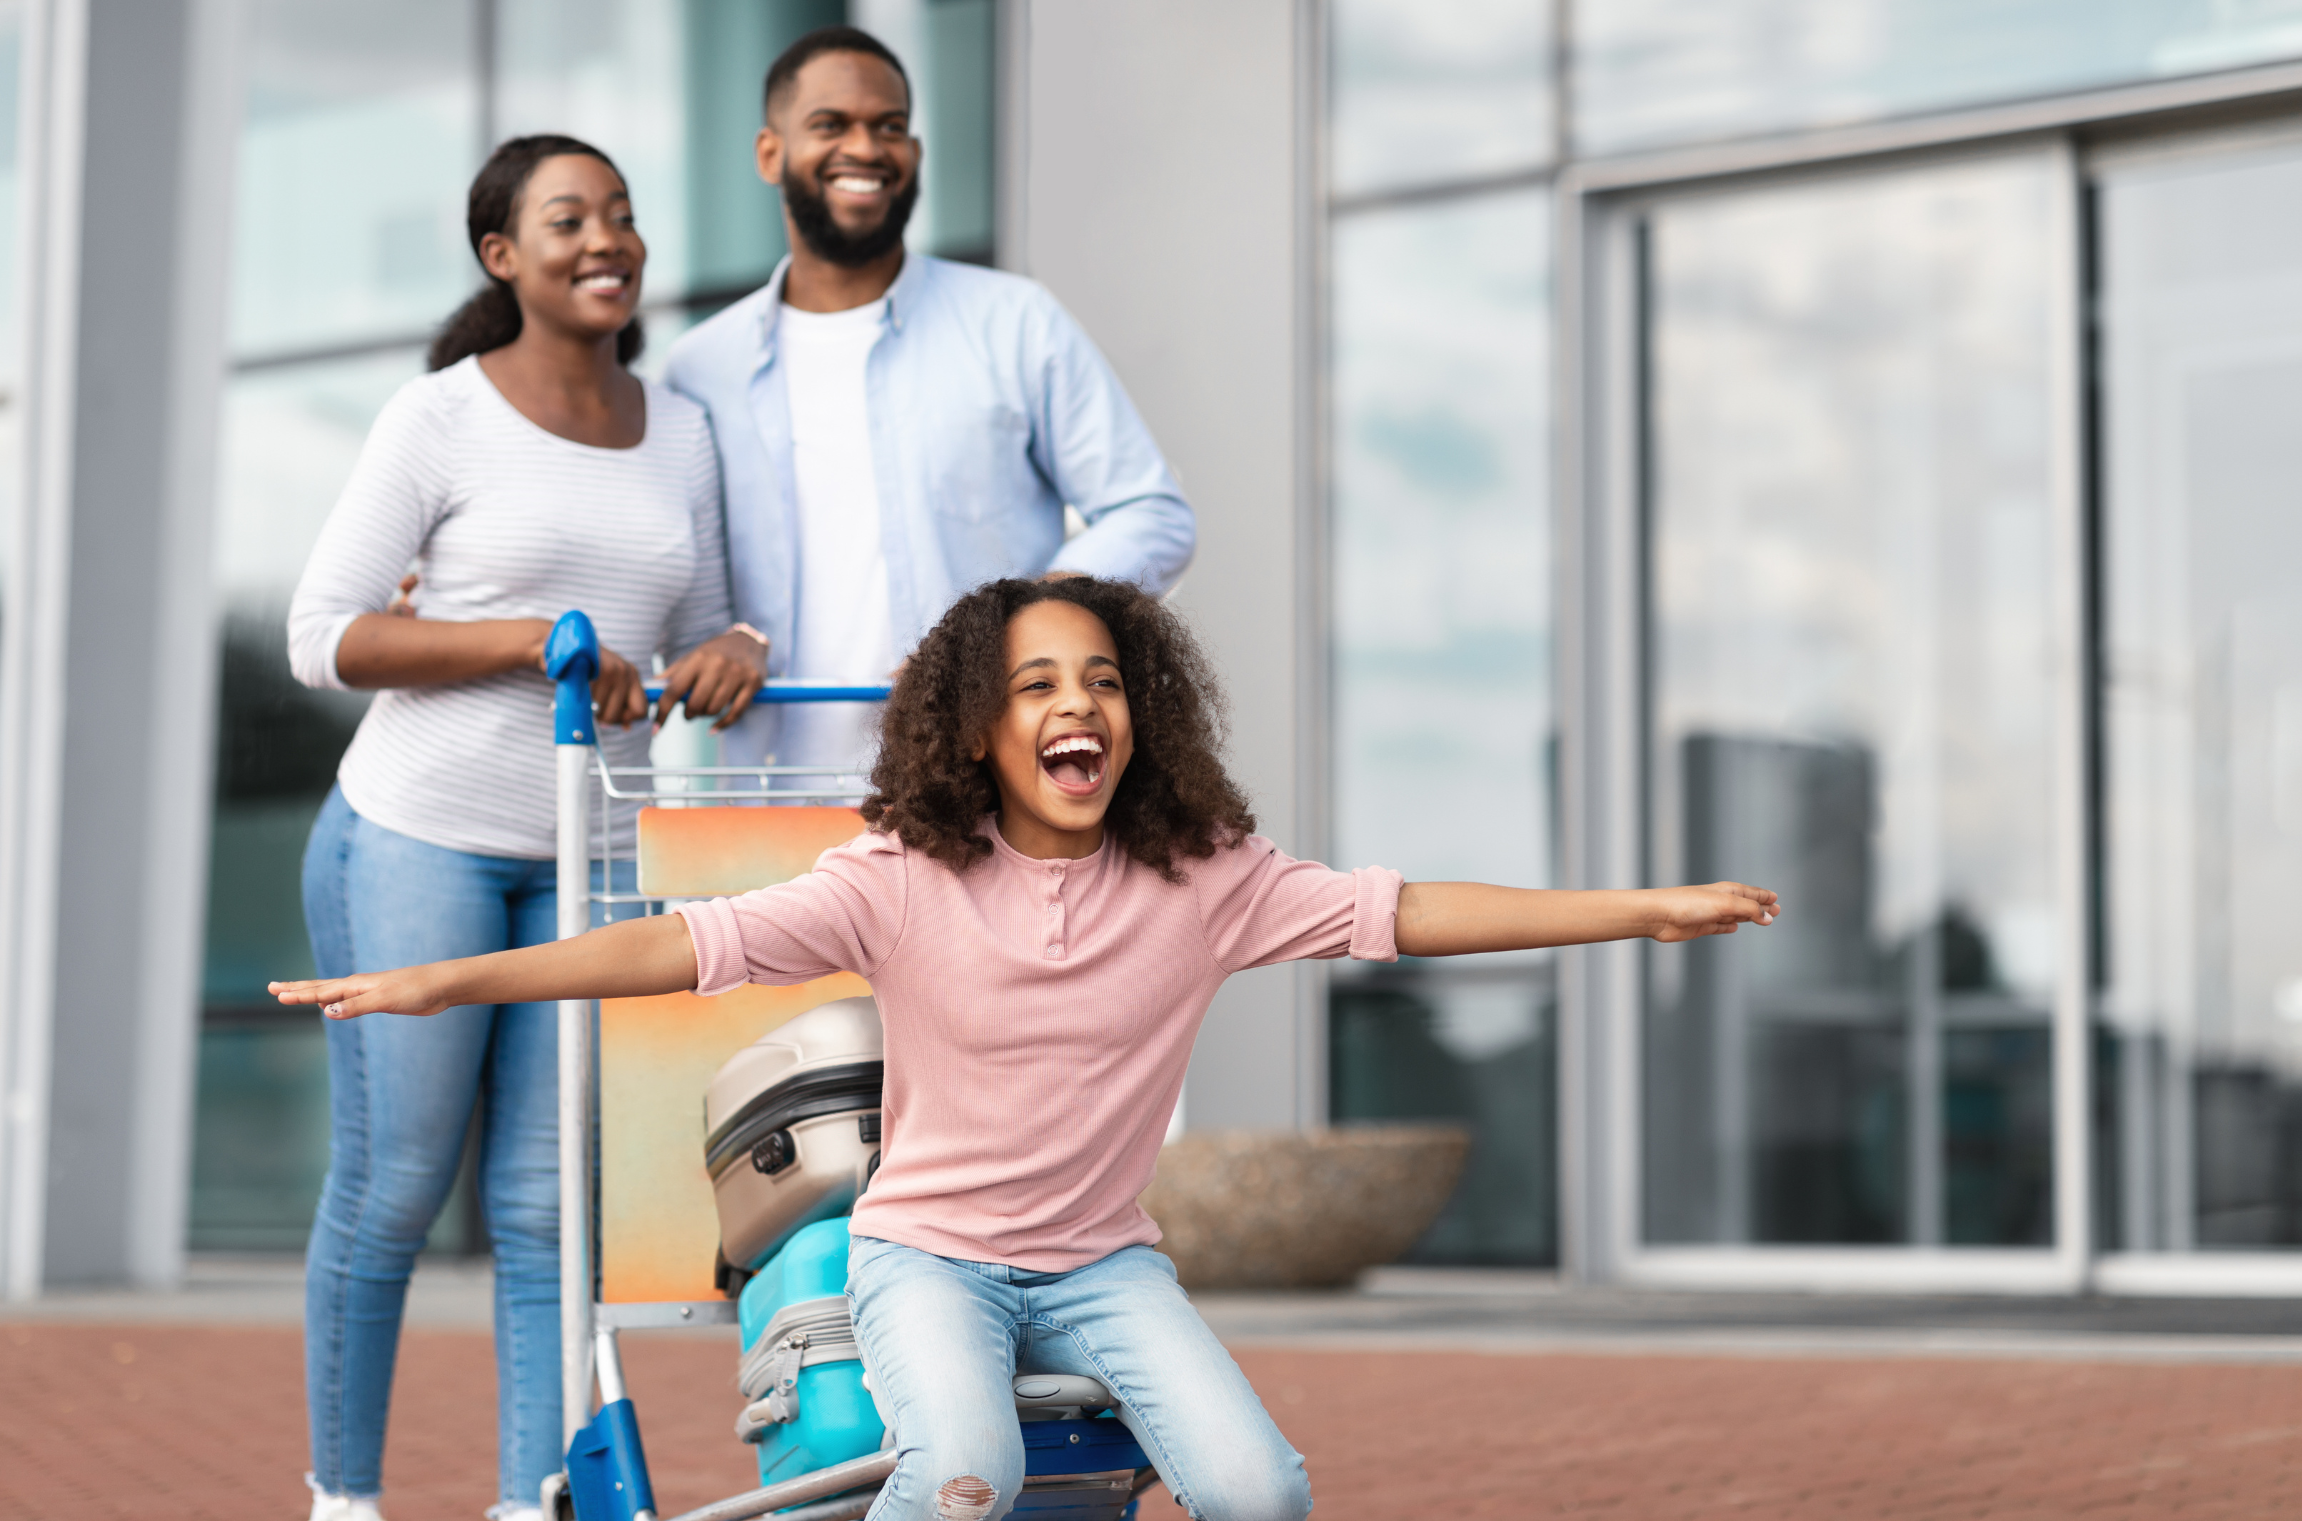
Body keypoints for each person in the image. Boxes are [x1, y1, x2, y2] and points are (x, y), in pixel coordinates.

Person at [272, 577, 1779, 1521]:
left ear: (1142, 718)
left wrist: (1637, 909)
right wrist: (447, 978)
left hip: (1103, 1265)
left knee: (1260, 1492)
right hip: (923, 1254)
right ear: (978, 731)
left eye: (1104, 681)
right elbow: (681, 945)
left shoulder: (1207, 878)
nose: (1079, 706)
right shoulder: (901, 876)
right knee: (970, 1474)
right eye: (1038, 685)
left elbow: (1408, 910)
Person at [284, 135, 768, 1521]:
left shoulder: (680, 427)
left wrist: (735, 646)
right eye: (569, 219)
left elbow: (704, 619)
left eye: (620, 215)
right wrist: (524, 642)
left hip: (592, 851)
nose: (606, 238)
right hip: (416, 838)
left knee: (549, 1211)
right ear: (503, 256)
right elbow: (324, 637)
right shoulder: (438, 419)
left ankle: (524, 1503)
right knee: (393, 1187)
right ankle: (343, 1502)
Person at [664, 26, 1196, 779]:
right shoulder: (698, 367)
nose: (868, 147)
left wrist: (1011, 628)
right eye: (830, 125)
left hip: (974, 791)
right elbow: (672, 568)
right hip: (771, 799)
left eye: (890, 126)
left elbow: (1153, 512)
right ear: (769, 153)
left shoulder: (1014, 321)